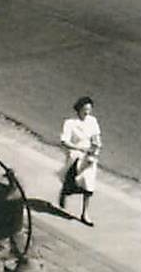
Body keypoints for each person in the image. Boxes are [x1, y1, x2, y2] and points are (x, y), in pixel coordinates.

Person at [57, 95, 101, 224]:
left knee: (89, 184)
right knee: (73, 181)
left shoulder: (92, 121)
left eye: (89, 109)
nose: (87, 112)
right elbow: (64, 141)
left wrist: (96, 146)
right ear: (79, 109)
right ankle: (65, 191)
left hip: (89, 155)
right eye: (84, 109)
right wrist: (79, 148)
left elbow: (96, 137)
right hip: (75, 153)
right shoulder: (70, 123)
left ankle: (85, 213)